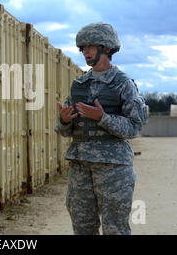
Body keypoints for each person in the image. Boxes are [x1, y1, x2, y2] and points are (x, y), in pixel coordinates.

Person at [55, 22, 148, 235]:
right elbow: (64, 131)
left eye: (90, 46)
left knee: (115, 229)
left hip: (113, 168)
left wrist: (102, 118)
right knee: (82, 227)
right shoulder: (79, 84)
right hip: (81, 166)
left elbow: (135, 127)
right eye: (82, 48)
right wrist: (65, 121)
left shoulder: (123, 83)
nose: (85, 52)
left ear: (106, 48)